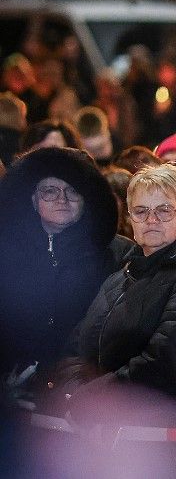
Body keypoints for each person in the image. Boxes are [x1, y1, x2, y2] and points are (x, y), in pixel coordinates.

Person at [51, 164, 176, 429]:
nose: (151, 219)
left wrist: (93, 400)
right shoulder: (122, 276)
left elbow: (170, 362)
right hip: (118, 434)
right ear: (130, 218)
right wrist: (73, 393)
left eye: (164, 210)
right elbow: (77, 346)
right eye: (141, 211)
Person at [0, 147, 124, 380]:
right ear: (34, 200)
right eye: (50, 191)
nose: (62, 199)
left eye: (72, 191)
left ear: (86, 200)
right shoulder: (7, 250)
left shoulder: (113, 252)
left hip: (77, 383)